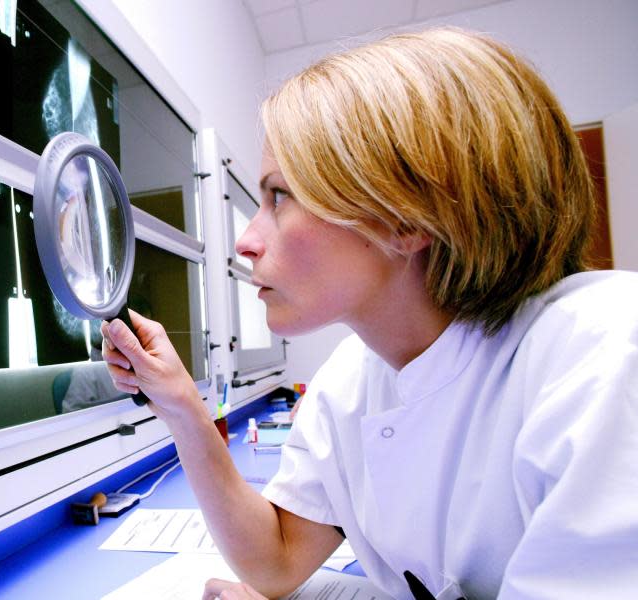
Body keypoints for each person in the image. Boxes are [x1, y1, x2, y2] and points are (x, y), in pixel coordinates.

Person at [101, 27, 638, 599]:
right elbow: (277, 561)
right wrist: (183, 407)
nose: (247, 241)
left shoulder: (605, 356)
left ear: (405, 216)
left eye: (280, 196)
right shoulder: (352, 380)